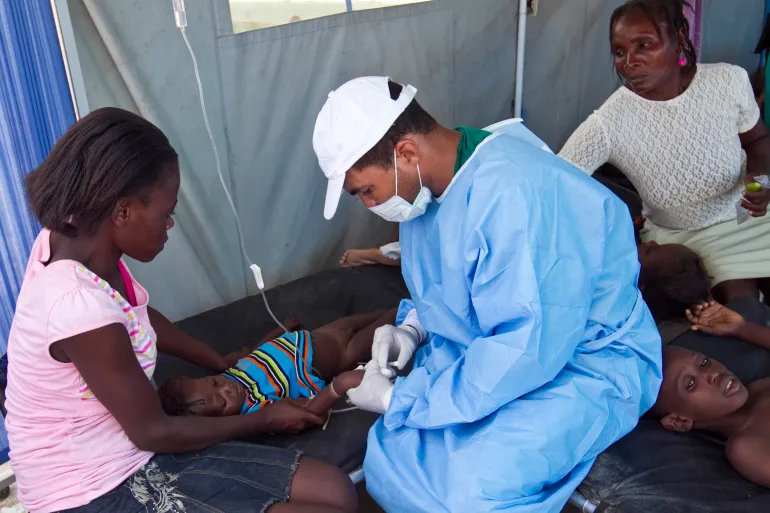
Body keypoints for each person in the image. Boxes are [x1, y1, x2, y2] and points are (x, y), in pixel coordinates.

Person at [311, 76, 662, 512]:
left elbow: (528, 344)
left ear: (406, 153)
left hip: (582, 364)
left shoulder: (517, 195)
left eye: (366, 190)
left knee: (467, 496)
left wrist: (399, 399)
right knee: (391, 462)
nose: (368, 203)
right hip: (488, 351)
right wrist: (412, 328)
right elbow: (450, 281)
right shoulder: (427, 191)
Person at [5, 108, 357, 513]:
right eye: (166, 213)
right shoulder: (74, 303)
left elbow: (136, 315)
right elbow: (153, 431)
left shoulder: (73, 239)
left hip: (130, 447)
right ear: (122, 211)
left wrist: (217, 360)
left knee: (336, 491)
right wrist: (265, 419)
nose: (170, 224)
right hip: (89, 489)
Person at [559, 0, 770, 304]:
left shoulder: (728, 81)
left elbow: (758, 141)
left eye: (644, 45)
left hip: (744, 216)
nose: (630, 61)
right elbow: (555, 182)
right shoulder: (608, 123)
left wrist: (760, 184)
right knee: (741, 302)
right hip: (678, 238)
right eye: (619, 52)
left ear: (680, 39)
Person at [158, 310, 395, 417]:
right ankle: (412, 314)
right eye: (221, 400)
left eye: (214, 382)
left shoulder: (230, 375)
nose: (226, 388)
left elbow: (254, 354)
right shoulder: (255, 407)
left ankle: (403, 310)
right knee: (387, 323)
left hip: (316, 334)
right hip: (340, 355)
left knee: (377, 314)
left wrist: (276, 332)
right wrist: (338, 387)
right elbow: (307, 410)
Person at [653, 346, 770, 487]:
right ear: (679, 421)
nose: (713, 374)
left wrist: (741, 329)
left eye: (704, 363)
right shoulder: (745, 448)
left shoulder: (760, 389)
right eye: (691, 383)